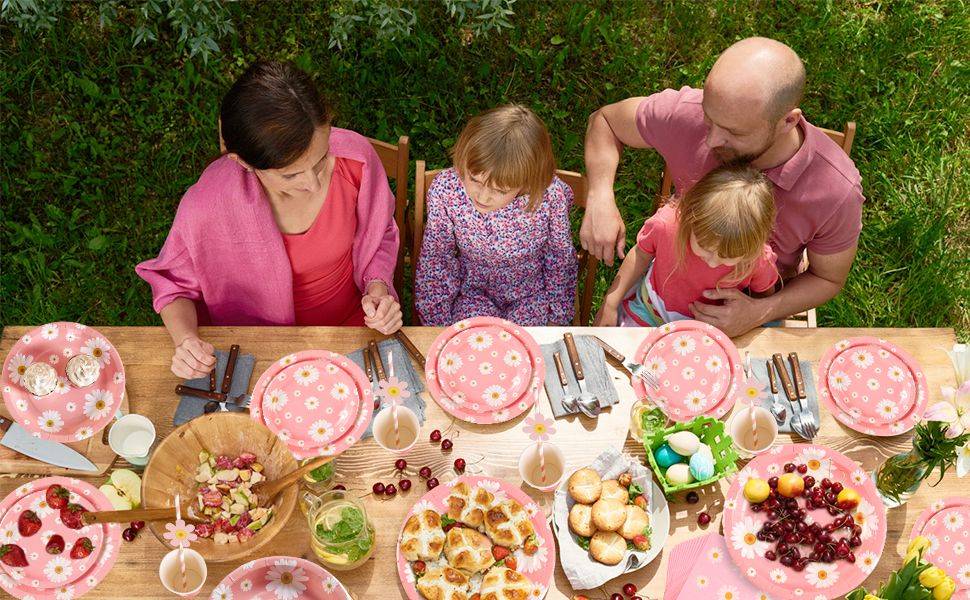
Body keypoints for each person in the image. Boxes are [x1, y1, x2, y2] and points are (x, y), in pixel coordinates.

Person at [137, 61, 402, 379]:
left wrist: (377, 288)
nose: (313, 184)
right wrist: (186, 341)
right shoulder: (208, 204)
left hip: (352, 331)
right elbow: (173, 286)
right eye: (290, 175)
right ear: (243, 162)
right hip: (258, 349)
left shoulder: (356, 159)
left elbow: (380, 231)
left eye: (320, 162)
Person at [582, 37, 864, 335]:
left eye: (733, 132)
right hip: (668, 286)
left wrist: (758, 312)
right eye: (709, 117)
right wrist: (600, 195)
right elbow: (605, 121)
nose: (711, 140)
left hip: (752, 307)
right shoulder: (686, 115)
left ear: (787, 121)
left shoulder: (835, 191)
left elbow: (828, 279)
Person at [414, 104, 577, 326]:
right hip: (473, 293)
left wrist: (558, 318)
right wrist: (437, 324)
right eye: (474, 179)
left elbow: (560, 258)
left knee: (527, 351)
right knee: (472, 348)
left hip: (531, 296)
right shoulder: (448, 190)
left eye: (500, 190)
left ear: (527, 182)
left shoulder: (548, 198)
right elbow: (437, 258)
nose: (483, 196)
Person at [595, 165, 778, 326]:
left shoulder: (757, 259)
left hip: (712, 330)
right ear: (691, 218)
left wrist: (749, 315)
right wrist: (610, 303)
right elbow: (641, 255)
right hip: (650, 314)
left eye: (727, 258)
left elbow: (763, 299)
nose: (713, 262)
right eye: (705, 248)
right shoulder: (667, 226)